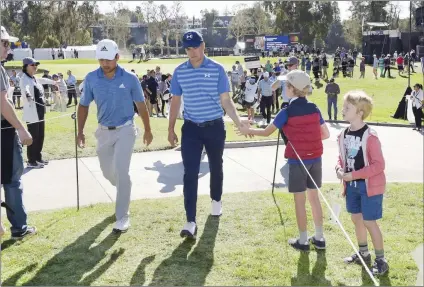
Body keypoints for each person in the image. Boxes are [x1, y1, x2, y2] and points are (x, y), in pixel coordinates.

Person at [167, 30, 247, 239]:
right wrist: (170, 128)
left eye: (195, 47)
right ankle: (190, 221)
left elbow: (226, 100)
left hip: (214, 126)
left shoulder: (217, 69)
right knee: (190, 172)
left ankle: (216, 200)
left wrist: (238, 122)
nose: (191, 52)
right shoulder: (179, 71)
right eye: (188, 48)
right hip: (191, 128)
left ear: (203, 46)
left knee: (215, 166)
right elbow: (175, 101)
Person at [239, 70, 330, 251]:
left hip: (297, 161)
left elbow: (266, 132)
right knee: (314, 198)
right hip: (316, 159)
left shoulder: (286, 111)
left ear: (290, 89)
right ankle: (319, 238)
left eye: (284, 85)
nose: (282, 88)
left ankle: (303, 240)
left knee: (299, 200)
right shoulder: (315, 108)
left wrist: (246, 131)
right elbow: (325, 134)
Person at [77, 39, 153, 233]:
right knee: (107, 173)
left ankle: (122, 217)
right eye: (101, 59)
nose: (105, 63)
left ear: (117, 57)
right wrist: (80, 132)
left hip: (126, 129)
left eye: (108, 59)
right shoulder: (92, 78)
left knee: (121, 170)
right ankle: (123, 187)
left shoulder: (129, 79)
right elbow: (84, 105)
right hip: (103, 131)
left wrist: (148, 129)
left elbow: (141, 105)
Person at [335, 91, 389, 276]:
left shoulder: (370, 136)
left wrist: (354, 175)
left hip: (369, 187)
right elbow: (341, 158)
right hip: (352, 187)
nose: (343, 110)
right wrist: (338, 169)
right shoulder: (343, 134)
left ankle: (381, 260)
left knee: (369, 221)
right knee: (356, 218)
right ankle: (363, 253)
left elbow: (379, 165)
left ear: (359, 112)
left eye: (347, 108)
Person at [1, 25, 37, 239]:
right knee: (13, 180)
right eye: (4, 43)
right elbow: (3, 103)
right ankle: (19, 228)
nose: (9, 47)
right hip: (4, 133)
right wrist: (22, 130)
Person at [20, 57, 57, 168]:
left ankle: (38, 157)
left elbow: (43, 80)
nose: (35, 66)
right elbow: (25, 88)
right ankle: (31, 160)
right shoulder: (24, 79)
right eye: (33, 65)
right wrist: (27, 94)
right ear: (26, 67)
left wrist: (54, 82)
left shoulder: (34, 78)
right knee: (33, 136)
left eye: (36, 64)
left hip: (40, 112)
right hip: (32, 113)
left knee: (41, 135)